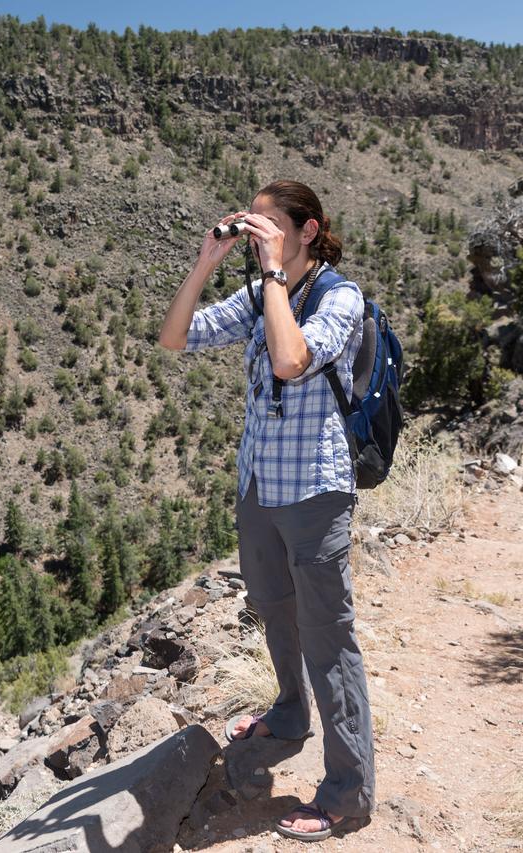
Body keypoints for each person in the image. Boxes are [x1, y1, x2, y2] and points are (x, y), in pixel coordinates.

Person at [158, 180, 375, 842]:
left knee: (329, 639)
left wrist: (274, 270)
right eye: (253, 222)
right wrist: (205, 262)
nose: (256, 231)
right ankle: (288, 715)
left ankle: (348, 792)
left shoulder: (339, 296)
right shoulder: (258, 295)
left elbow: (290, 360)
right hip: (260, 484)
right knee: (274, 609)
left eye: (270, 224)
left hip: (313, 489)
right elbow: (176, 337)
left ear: (307, 232)